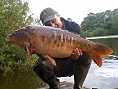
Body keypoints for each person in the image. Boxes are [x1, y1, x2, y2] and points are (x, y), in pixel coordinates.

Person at [33, 7, 92, 89]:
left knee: (86, 55)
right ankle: (54, 86)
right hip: (57, 64)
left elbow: (82, 45)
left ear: (58, 15)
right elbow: (46, 57)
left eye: (54, 21)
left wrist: (75, 57)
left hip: (72, 62)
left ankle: (78, 86)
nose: (53, 25)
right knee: (40, 65)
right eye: (48, 24)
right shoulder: (43, 35)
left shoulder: (73, 27)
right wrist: (38, 52)